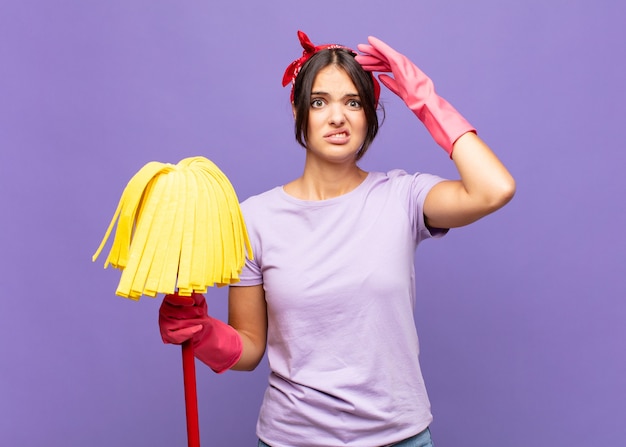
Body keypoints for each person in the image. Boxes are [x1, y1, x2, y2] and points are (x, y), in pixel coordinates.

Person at [159, 30, 516, 447]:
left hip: (399, 438)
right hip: (292, 440)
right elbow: (251, 347)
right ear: (299, 111)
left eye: (353, 102)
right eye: (319, 101)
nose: (337, 116)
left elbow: (495, 189)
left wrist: (426, 101)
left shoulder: (403, 197)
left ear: (370, 115)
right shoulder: (253, 219)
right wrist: (201, 332)